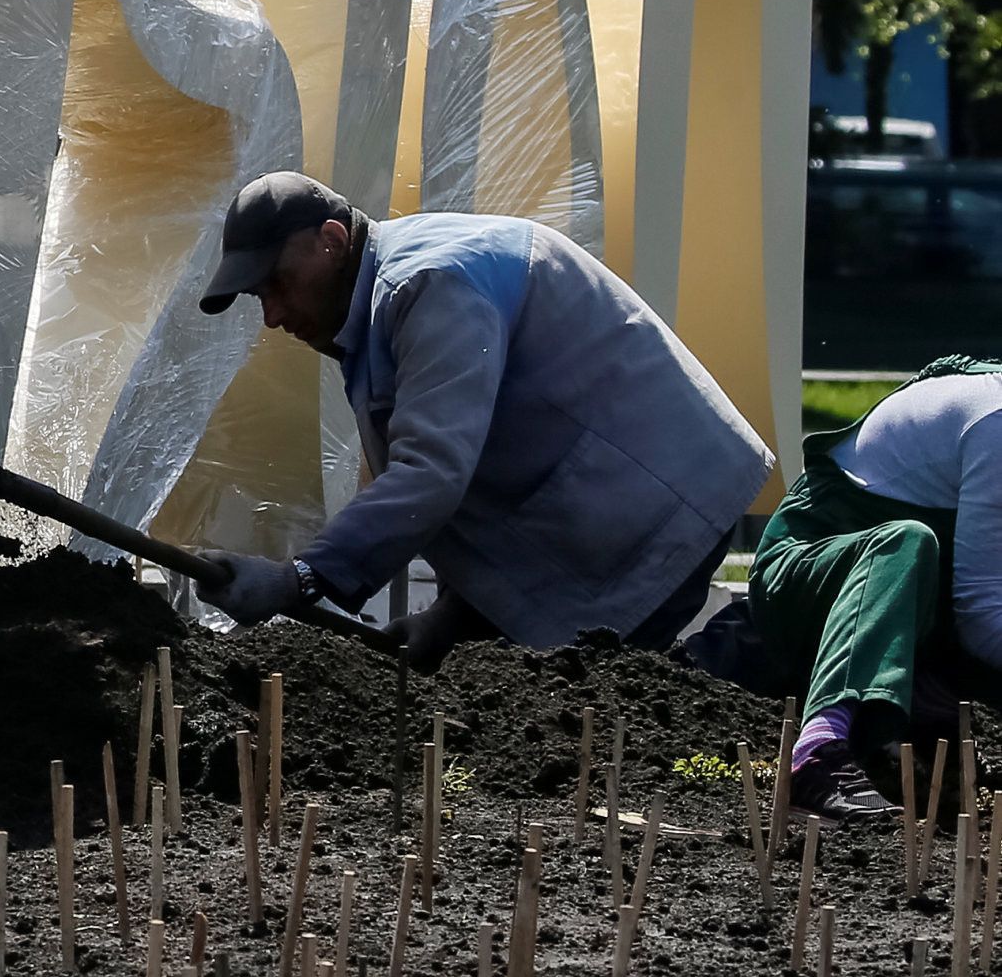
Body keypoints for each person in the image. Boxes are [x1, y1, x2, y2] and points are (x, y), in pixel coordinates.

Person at [188, 172, 771, 680]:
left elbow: (432, 474)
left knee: (607, 710)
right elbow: (481, 478)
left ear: (333, 241)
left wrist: (302, 578)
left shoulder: (427, 284)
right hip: (615, 499)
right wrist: (450, 620)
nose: (272, 315)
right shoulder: (386, 297)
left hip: (656, 500)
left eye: (278, 283)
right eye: (259, 296)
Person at [742, 356, 1002, 818]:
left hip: (913, 608)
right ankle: (819, 750)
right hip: (806, 578)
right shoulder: (995, 423)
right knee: (906, 542)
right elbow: (981, 613)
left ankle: (920, 719)